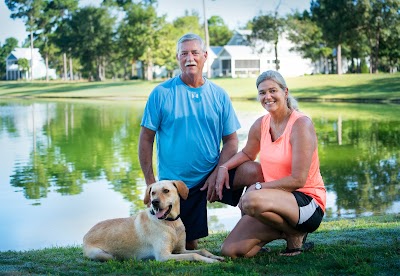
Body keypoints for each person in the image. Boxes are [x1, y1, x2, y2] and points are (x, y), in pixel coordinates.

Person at [138, 33, 259, 250]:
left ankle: (253, 231)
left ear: (205, 56)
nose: (190, 58)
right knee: (188, 244)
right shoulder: (161, 93)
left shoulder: (219, 95)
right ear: (177, 58)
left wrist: (219, 171)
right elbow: (146, 139)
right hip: (180, 184)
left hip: (214, 174)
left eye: (195, 53)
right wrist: (150, 182)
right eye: (184, 53)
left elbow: (231, 140)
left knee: (254, 171)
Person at [215, 70, 326, 257]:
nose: (267, 97)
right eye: (262, 92)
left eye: (273, 91)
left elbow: (298, 180)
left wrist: (258, 187)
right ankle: (285, 231)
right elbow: (247, 153)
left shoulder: (301, 125)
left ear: (285, 92)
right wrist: (224, 167)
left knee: (250, 200)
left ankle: (295, 233)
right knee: (230, 251)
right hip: (272, 201)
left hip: (307, 203)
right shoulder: (261, 124)